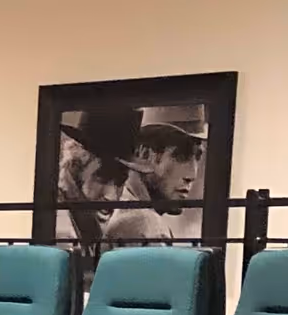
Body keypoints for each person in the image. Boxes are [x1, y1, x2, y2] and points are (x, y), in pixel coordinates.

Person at [53, 104, 141, 277]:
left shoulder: (89, 223)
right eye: (102, 177)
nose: (111, 196)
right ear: (76, 166)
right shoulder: (60, 225)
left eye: (119, 182)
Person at [101, 105, 205, 248]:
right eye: (181, 155)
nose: (191, 175)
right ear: (144, 155)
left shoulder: (121, 211)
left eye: (198, 157)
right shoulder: (146, 226)